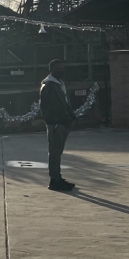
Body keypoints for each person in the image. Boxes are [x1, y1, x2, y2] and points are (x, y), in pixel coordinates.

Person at [39, 59, 77, 191]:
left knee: (57, 152)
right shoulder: (49, 85)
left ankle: (57, 178)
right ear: (52, 70)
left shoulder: (58, 83)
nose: (62, 70)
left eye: (62, 68)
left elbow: (65, 103)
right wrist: (53, 122)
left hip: (62, 122)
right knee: (55, 153)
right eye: (58, 69)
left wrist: (71, 117)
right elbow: (46, 107)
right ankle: (54, 180)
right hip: (56, 124)